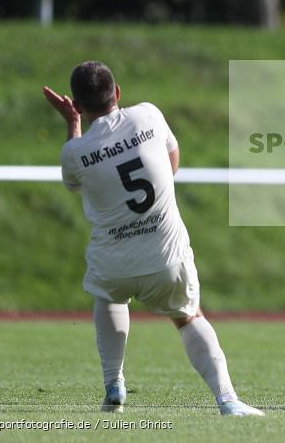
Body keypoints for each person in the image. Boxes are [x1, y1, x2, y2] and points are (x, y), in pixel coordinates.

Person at [43, 61, 263, 417]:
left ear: (80, 106)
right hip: (165, 254)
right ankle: (227, 400)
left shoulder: (75, 152)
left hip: (113, 260)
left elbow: (74, 183)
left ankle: (114, 383)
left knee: (108, 295)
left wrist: (73, 125)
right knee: (189, 317)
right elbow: (172, 165)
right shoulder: (149, 115)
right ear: (117, 93)